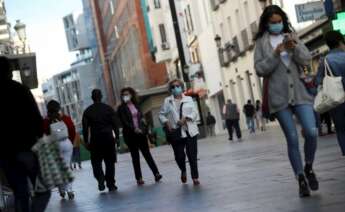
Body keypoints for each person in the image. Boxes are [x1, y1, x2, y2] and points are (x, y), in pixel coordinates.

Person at [254, 5, 318, 197]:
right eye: (272, 23)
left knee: (311, 131)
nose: (276, 25)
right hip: (278, 97)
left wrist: (295, 47)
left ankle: (308, 166)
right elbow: (259, 69)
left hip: (300, 94)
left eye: (279, 21)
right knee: (291, 137)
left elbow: (306, 59)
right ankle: (300, 178)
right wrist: (275, 54)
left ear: (283, 20)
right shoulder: (261, 44)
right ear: (266, 24)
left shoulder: (292, 36)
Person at [0, 56, 51, 212]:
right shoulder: (20, 90)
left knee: (20, 192)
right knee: (43, 189)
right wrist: (40, 137)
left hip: (5, 153)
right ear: (9, 71)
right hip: (26, 147)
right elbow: (36, 119)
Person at [117, 87, 162, 185]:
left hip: (140, 134)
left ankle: (156, 173)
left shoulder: (136, 105)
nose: (125, 96)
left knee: (147, 154)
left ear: (131, 95)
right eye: (123, 94)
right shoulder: (121, 108)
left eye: (127, 94)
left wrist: (142, 128)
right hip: (130, 135)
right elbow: (124, 122)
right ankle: (139, 178)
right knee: (135, 157)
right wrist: (134, 129)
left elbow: (141, 117)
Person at [159, 79, 200, 185]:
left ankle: (195, 177)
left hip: (190, 131)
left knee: (192, 155)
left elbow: (195, 112)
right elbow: (161, 115)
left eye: (177, 86)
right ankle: (183, 170)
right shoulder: (168, 101)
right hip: (176, 132)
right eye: (173, 87)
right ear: (170, 89)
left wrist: (186, 118)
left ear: (181, 87)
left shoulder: (189, 99)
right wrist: (166, 122)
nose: (175, 88)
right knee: (179, 156)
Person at [82, 89, 120, 192]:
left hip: (95, 141)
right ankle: (111, 184)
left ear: (92, 98)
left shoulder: (87, 111)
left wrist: (86, 141)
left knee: (96, 162)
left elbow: (85, 129)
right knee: (109, 162)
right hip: (108, 139)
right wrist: (117, 138)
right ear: (101, 96)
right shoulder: (108, 109)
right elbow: (115, 125)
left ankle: (100, 178)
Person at [316, 30, 345, 156]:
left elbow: (318, 80)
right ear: (340, 42)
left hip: (336, 99)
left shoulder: (325, 60)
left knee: (341, 129)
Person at [43, 100, 76, 200]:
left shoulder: (45, 121)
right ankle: (69, 190)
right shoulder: (65, 118)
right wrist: (69, 141)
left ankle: (62, 190)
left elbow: (43, 134)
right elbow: (72, 130)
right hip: (66, 143)